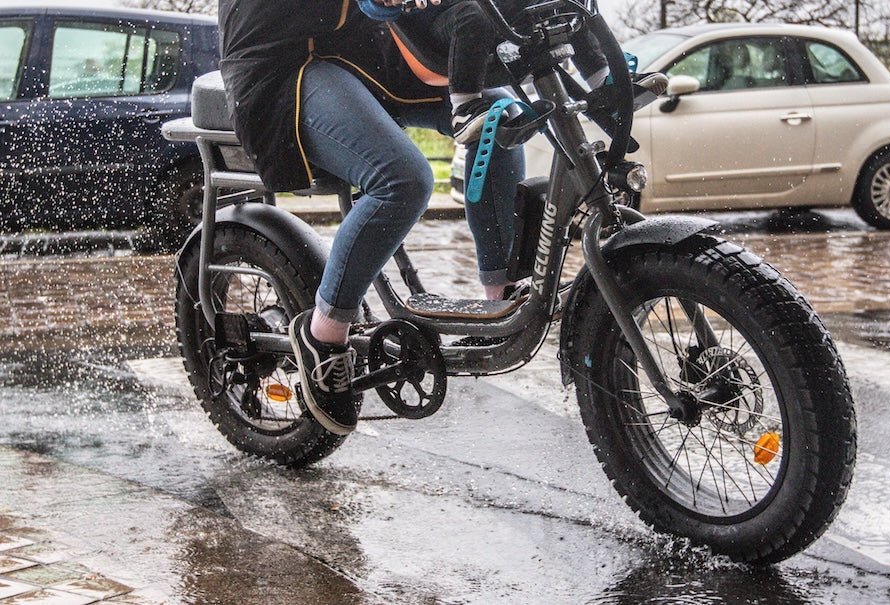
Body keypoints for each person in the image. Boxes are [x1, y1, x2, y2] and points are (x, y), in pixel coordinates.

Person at [218, 0, 525, 436]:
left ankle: (501, 293)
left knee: (502, 113)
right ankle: (323, 335)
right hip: (282, 67)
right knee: (403, 179)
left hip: (370, 59)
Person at [360, 0, 614, 144]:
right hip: (442, 28)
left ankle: (604, 82)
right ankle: (464, 108)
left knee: (566, 4)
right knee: (473, 17)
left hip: (494, 15)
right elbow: (369, 6)